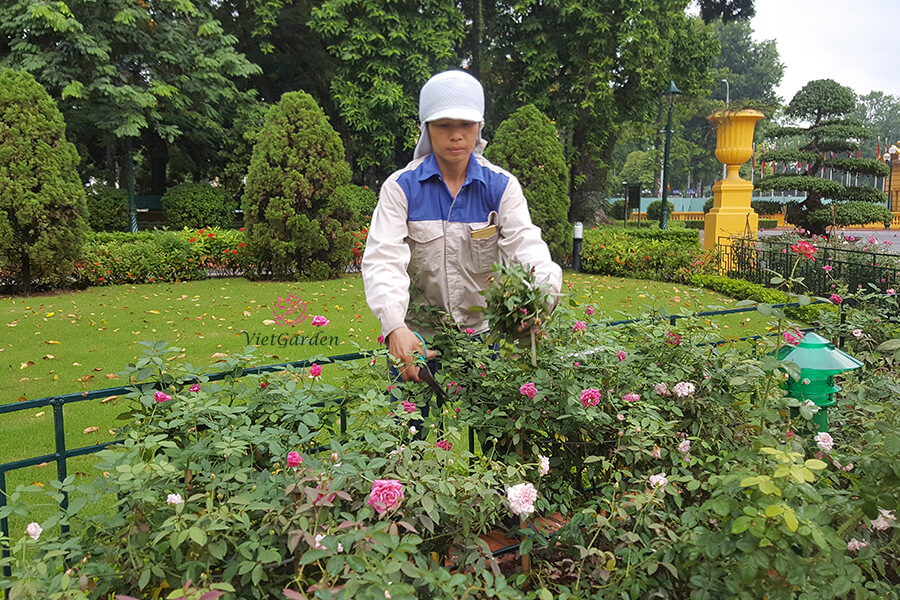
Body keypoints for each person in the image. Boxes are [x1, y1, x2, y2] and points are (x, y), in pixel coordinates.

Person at [362, 70, 562, 383]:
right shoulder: (400, 188)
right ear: (426, 128)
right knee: (407, 431)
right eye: (444, 125)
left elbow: (527, 248)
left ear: (479, 126)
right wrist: (394, 326)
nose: (456, 135)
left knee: (495, 430)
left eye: (466, 125)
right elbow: (383, 259)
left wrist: (540, 298)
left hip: (485, 338)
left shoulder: (501, 187)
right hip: (417, 341)